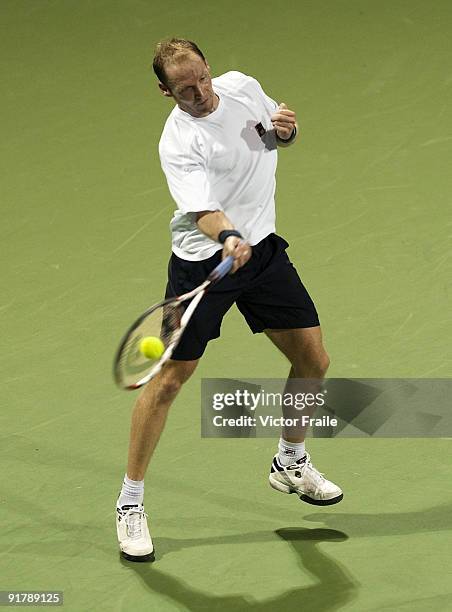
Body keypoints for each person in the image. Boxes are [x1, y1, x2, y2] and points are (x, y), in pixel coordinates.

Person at [116, 38, 343, 563]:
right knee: (169, 381)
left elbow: (277, 135)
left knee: (313, 359)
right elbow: (202, 213)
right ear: (164, 92)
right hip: (203, 264)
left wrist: (286, 131)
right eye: (184, 89)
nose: (200, 93)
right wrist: (228, 238)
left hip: (262, 255)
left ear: (209, 68)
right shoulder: (178, 141)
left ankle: (290, 461)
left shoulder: (241, 87)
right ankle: (130, 501)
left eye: (202, 78)